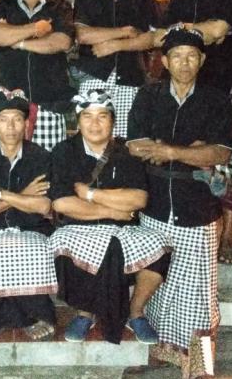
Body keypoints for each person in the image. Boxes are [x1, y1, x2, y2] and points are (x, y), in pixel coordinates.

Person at [125, 26, 232, 379]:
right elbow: (135, 145)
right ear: (164, 60)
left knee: (199, 294)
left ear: (202, 60)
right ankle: (160, 351)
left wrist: (170, 150)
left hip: (198, 207)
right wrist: (193, 150)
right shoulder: (149, 95)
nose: (184, 62)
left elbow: (220, 152)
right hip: (155, 204)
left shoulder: (216, 100)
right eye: (176, 56)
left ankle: (201, 363)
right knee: (159, 284)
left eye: (191, 56)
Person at [154, 0, 232, 264]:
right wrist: (197, 31)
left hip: (222, 88)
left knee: (229, 164)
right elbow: (161, 36)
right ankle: (182, 226)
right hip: (181, 91)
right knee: (185, 158)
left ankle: (228, 236)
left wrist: (182, 31)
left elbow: (218, 30)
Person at [49, 90, 170, 344]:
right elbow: (62, 202)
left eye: (102, 116)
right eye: (87, 116)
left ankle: (135, 312)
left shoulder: (126, 152)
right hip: (79, 227)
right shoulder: (63, 151)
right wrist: (113, 209)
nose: (94, 124)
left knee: (159, 245)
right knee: (62, 244)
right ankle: (85, 312)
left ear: (113, 121)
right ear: (78, 122)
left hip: (123, 230)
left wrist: (90, 194)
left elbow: (138, 199)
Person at [0, 88, 58, 339]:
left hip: (31, 226)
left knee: (31, 248)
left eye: (17, 119)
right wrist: (23, 195)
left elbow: (43, 206)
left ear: (27, 124)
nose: (10, 127)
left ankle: (31, 315)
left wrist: (0, 194)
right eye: (3, 120)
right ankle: (0, 318)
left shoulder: (40, 157)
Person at [0, 0, 74, 151]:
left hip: (49, 105)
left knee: (49, 167)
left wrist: (15, 40)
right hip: (8, 106)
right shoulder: (3, 5)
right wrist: (35, 28)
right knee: (4, 165)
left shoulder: (60, 7)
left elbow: (61, 42)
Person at [73, 0, 160, 138]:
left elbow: (154, 37)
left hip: (132, 77)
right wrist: (126, 32)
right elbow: (82, 34)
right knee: (92, 139)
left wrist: (115, 45)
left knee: (129, 140)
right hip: (93, 77)